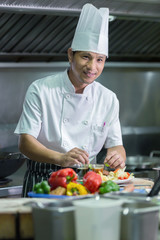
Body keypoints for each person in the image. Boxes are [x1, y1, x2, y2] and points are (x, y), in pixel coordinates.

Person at [14, 3, 126, 197]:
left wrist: (117, 157)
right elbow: (25, 142)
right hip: (44, 179)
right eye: (85, 57)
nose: (92, 66)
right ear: (70, 55)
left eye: (100, 59)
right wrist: (60, 157)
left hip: (87, 182)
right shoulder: (41, 89)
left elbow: (116, 146)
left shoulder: (108, 98)